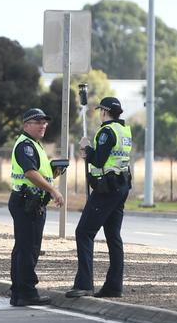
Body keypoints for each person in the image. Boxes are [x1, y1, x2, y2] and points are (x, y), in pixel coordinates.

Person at [66, 96, 132, 298]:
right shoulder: (124, 130)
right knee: (113, 237)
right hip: (121, 187)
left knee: (84, 232)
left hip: (106, 189)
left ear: (104, 111)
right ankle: (113, 286)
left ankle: (84, 284)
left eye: (100, 111)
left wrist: (87, 149)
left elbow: (99, 159)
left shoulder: (106, 131)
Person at [8, 108, 64, 307]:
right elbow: (31, 174)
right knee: (28, 249)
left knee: (24, 248)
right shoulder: (26, 146)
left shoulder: (35, 145)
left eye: (45, 122)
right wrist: (54, 190)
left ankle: (18, 292)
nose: (43, 125)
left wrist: (53, 173)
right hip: (26, 202)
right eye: (38, 122)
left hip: (30, 202)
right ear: (26, 125)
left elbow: (38, 174)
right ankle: (26, 292)